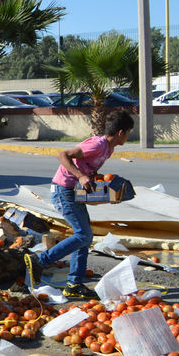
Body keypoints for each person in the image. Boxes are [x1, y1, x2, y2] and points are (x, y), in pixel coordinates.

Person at [32, 110, 134, 298]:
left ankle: (74, 284)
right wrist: (80, 176)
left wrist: (104, 196)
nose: (128, 137)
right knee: (83, 235)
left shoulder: (108, 149)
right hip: (63, 191)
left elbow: (88, 174)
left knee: (85, 237)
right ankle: (40, 261)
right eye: (128, 133)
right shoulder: (97, 144)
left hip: (74, 193)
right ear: (121, 132)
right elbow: (62, 155)